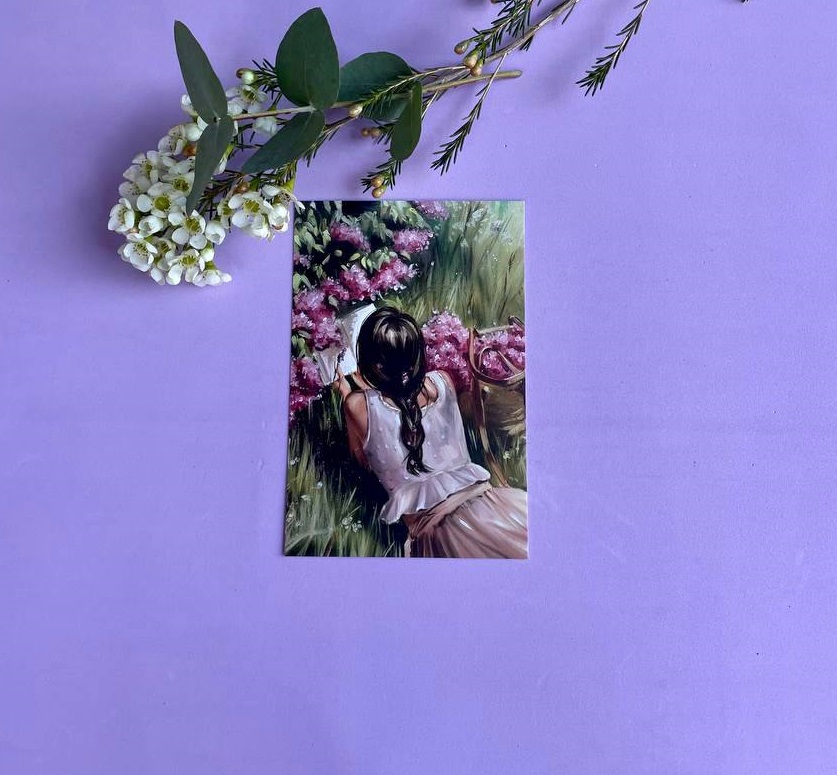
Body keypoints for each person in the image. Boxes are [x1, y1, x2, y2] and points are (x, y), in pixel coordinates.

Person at [335, 306, 528, 559]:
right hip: (490, 504)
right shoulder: (442, 381)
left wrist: (349, 394)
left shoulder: (357, 405)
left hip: (440, 529)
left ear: (372, 363)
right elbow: (406, 403)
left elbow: (361, 460)